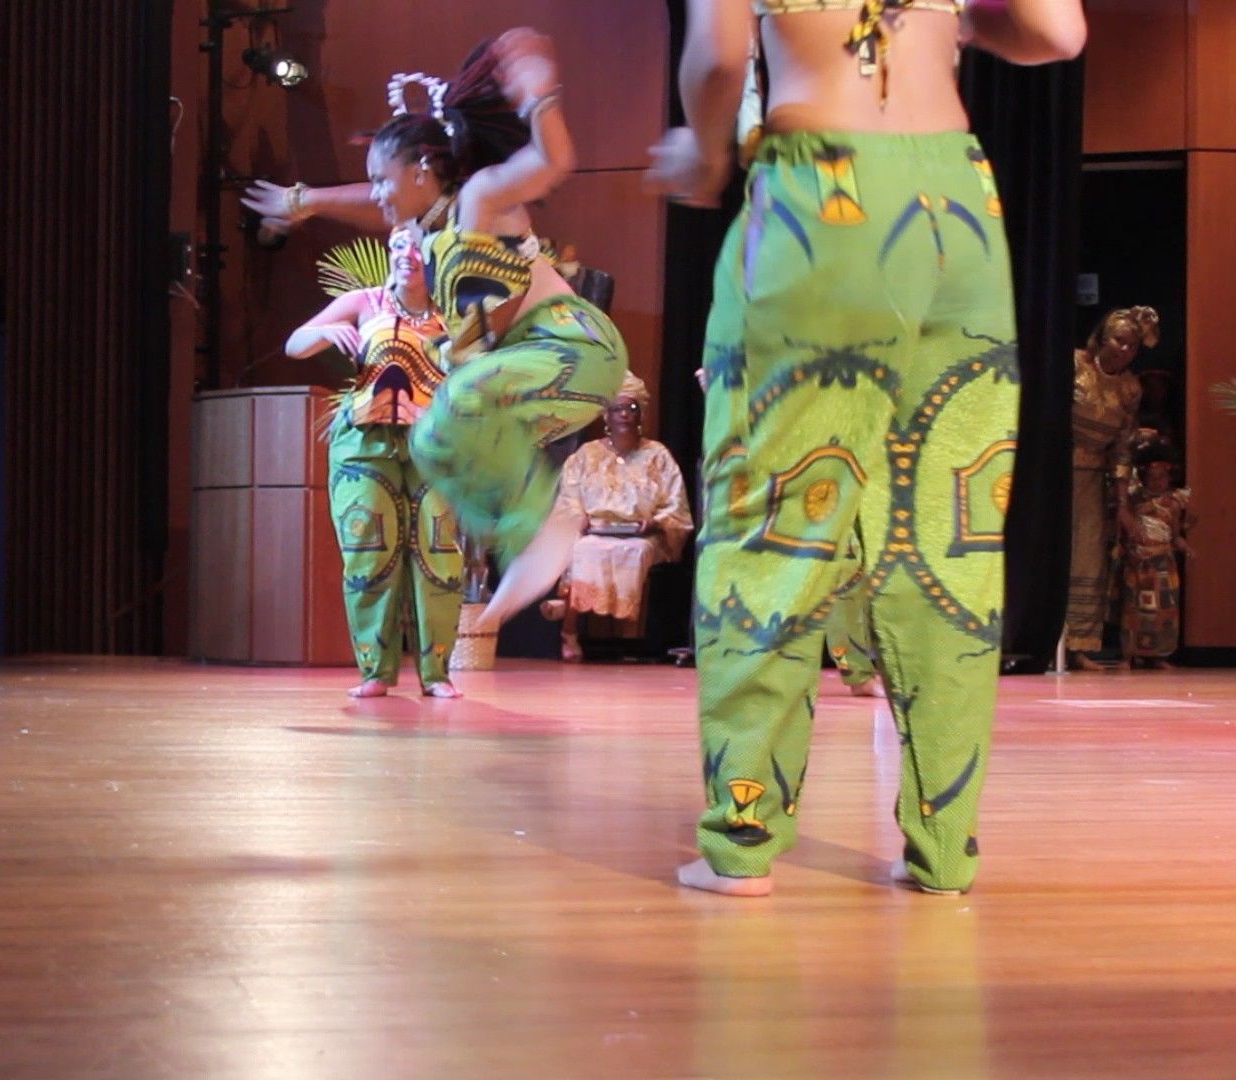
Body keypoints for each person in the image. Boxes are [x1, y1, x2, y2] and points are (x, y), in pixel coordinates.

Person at [648, 0, 1086, 897]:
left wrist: (703, 149)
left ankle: (742, 841)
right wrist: (958, 26)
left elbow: (719, 54)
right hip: (958, 201)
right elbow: (1057, 32)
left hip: (824, 190)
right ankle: (944, 849)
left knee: (769, 522)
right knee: (947, 530)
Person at [371, 30, 628, 628]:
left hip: (575, 347)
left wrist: (539, 92)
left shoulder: (484, 196)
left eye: (384, 178)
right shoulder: (429, 238)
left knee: (458, 399)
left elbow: (553, 161)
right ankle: (525, 532)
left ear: (424, 168)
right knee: (432, 439)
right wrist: (412, 288)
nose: (378, 194)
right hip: (528, 374)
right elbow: (463, 323)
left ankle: (541, 522)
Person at [286, 228, 464, 698]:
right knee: (369, 548)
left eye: (420, 248)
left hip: (432, 444)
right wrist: (324, 331)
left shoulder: (455, 313)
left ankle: (437, 673)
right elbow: (295, 344)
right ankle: (374, 671)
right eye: (400, 246)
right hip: (366, 441)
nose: (408, 256)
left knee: (437, 549)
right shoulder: (365, 302)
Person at [542, 372, 694, 661]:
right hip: (595, 532)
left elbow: (676, 504)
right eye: (617, 408)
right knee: (584, 550)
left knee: (631, 553)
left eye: (631, 408)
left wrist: (657, 521)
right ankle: (569, 629)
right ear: (606, 416)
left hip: (642, 536)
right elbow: (569, 498)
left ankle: (626, 639)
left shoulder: (657, 455)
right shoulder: (586, 454)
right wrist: (579, 516)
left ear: (641, 414)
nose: (624, 414)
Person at [1064, 306, 1160, 669]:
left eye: (1133, 346)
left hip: (1092, 475)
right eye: (1119, 340)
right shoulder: (1074, 365)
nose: (1125, 350)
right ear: (1103, 338)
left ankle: (1079, 643)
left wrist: (1121, 502)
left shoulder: (1130, 387)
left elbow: (1122, 447)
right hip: (1057, 470)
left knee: (1088, 556)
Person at [1117, 440, 1195, 669]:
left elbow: (1175, 535)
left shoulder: (1174, 503)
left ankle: (1159, 656)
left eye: (1162, 477)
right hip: (1139, 563)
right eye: (1152, 477)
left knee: (1163, 613)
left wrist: (1186, 548)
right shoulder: (1134, 500)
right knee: (1134, 611)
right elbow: (1123, 523)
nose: (1157, 482)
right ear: (1143, 478)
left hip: (1164, 564)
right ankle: (1129, 655)